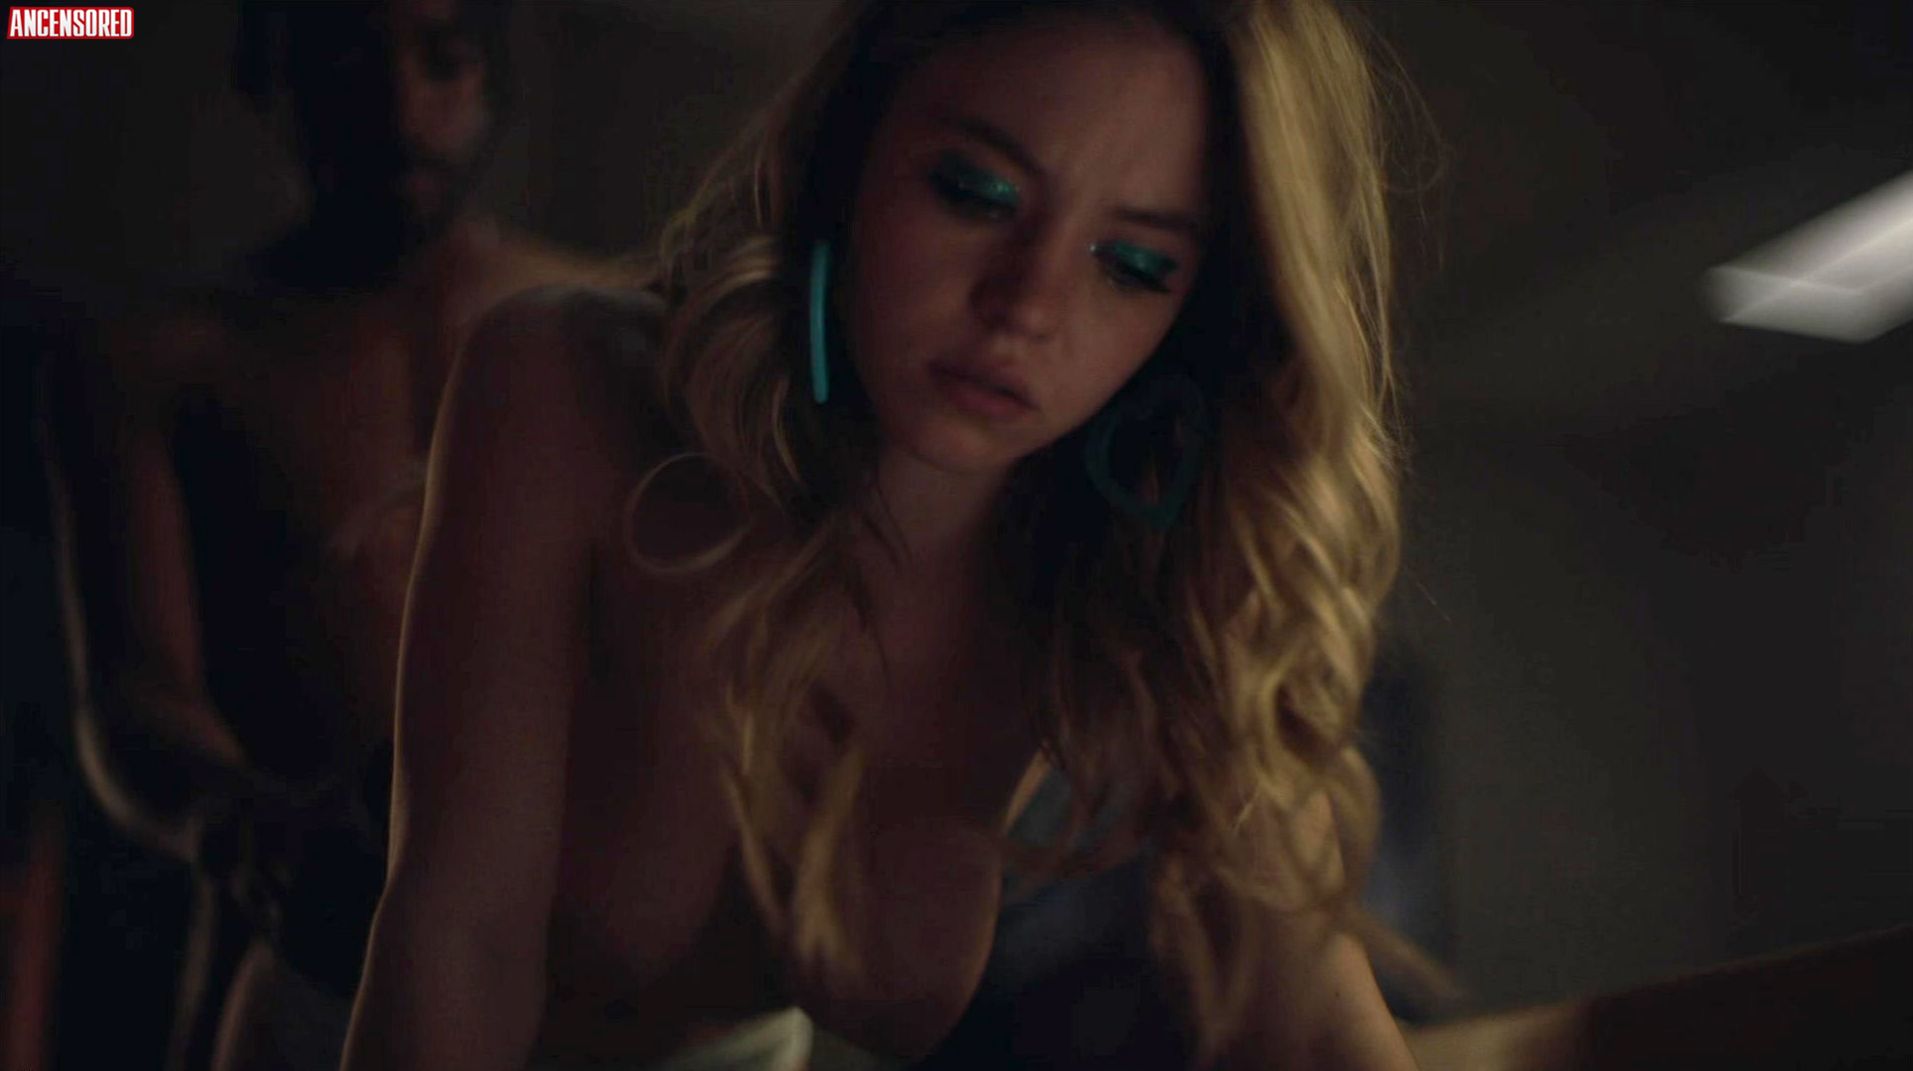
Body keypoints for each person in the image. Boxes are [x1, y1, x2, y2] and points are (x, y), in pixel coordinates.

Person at [343, 0, 1418, 1068]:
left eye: (1133, 263)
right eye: (975, 193)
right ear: (850, 144)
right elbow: (462, 940)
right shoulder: (565, 387)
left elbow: (1316, 1030)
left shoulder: (1162, 583)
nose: (1026, 306)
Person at [42, 2, 626, 1069]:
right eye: (348, 61)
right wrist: (248, 828)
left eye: (444, 58)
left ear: (495, 77)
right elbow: (134, 693)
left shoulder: (619, 330)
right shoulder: (161, 362)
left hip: (579, 987)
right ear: (267, 75)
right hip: (295, 961)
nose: (400, 110)